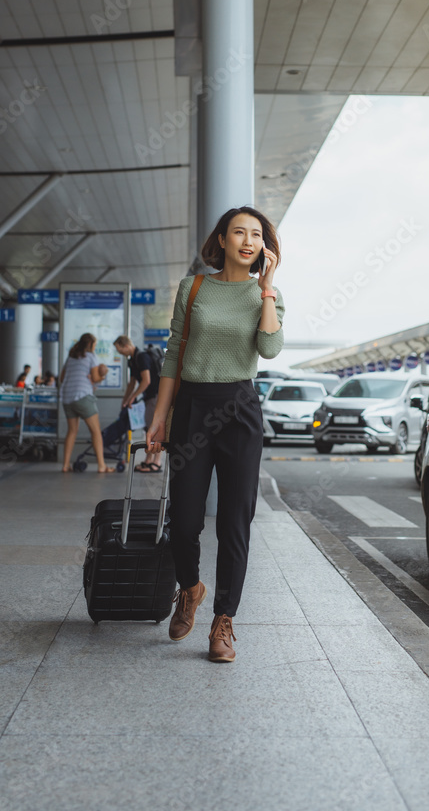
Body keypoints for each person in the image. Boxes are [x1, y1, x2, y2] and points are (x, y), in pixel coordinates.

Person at [147, 205, 284, 663]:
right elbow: (172, 355)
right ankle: (190, 588)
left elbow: (268, 348)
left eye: (256, 235)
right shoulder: (194, 287)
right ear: (221, 239)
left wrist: (265, 291)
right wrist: (159, 416)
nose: (248, 241)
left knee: (233, 523)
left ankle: (223, 621)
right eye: (238, 232)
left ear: (264, 247)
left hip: (240, 410)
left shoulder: (267, 294)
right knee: (184, 521)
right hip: (192, 406)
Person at [58, 333, 114, 474]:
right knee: (95, 431)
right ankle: (102, 465)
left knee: (72, 431)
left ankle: (65, 465)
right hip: (83, 396)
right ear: (91, 345)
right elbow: (95, 378)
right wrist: (103, 374)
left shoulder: (70, 358)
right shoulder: (91, 357)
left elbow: (62, 378)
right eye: (94, 345)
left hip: (67, 398)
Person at [113, 336, 161, 473]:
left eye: (119, 349)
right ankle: (148, 460)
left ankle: (156, 462)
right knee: (148, 428)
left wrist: (132, 397)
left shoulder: (142, 357)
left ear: (126, 345)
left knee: (154, 429)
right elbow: (132, 382)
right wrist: (125, 399)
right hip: (148, 397)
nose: (119, 353)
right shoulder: (133, 360)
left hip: (155, 396)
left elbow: (146, 381)